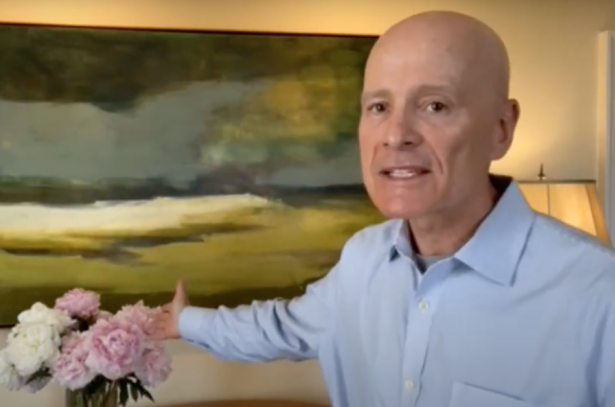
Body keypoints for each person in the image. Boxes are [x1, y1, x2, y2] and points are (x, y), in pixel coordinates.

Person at [153, 10, 615, 407]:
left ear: (500, 128)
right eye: (378, 106)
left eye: (435, 105)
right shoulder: (362, 258)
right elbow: (281, 327)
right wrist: (185, 322)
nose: (395, 135)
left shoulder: (598, 297)